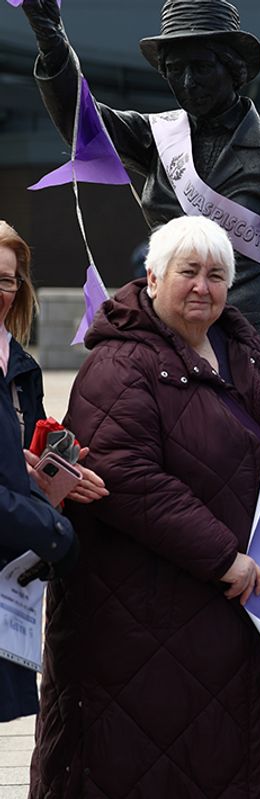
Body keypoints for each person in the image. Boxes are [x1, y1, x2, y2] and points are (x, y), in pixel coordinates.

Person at [30, 216, 260, 798]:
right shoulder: (118, 364)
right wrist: (225, 558)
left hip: (224, 615)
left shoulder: (242, 347)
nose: (203, 286)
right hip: (144, 616)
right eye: (187, 272)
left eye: (217, 275)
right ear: (151, 277)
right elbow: (127, 477)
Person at [22, 0, 260, 387]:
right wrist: (52, 42)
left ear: (234, 68)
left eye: (202, 67)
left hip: (251, 337)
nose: (189, 83)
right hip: (169, 331)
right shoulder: (157, 137)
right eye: (175, 70)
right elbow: (83, 123)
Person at [0, 222, 89, 724]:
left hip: (9, 576)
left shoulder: (21, 368)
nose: (1, 292)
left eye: (8, 281)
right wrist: (59, 536)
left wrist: (63, 472)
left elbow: (27, 456)